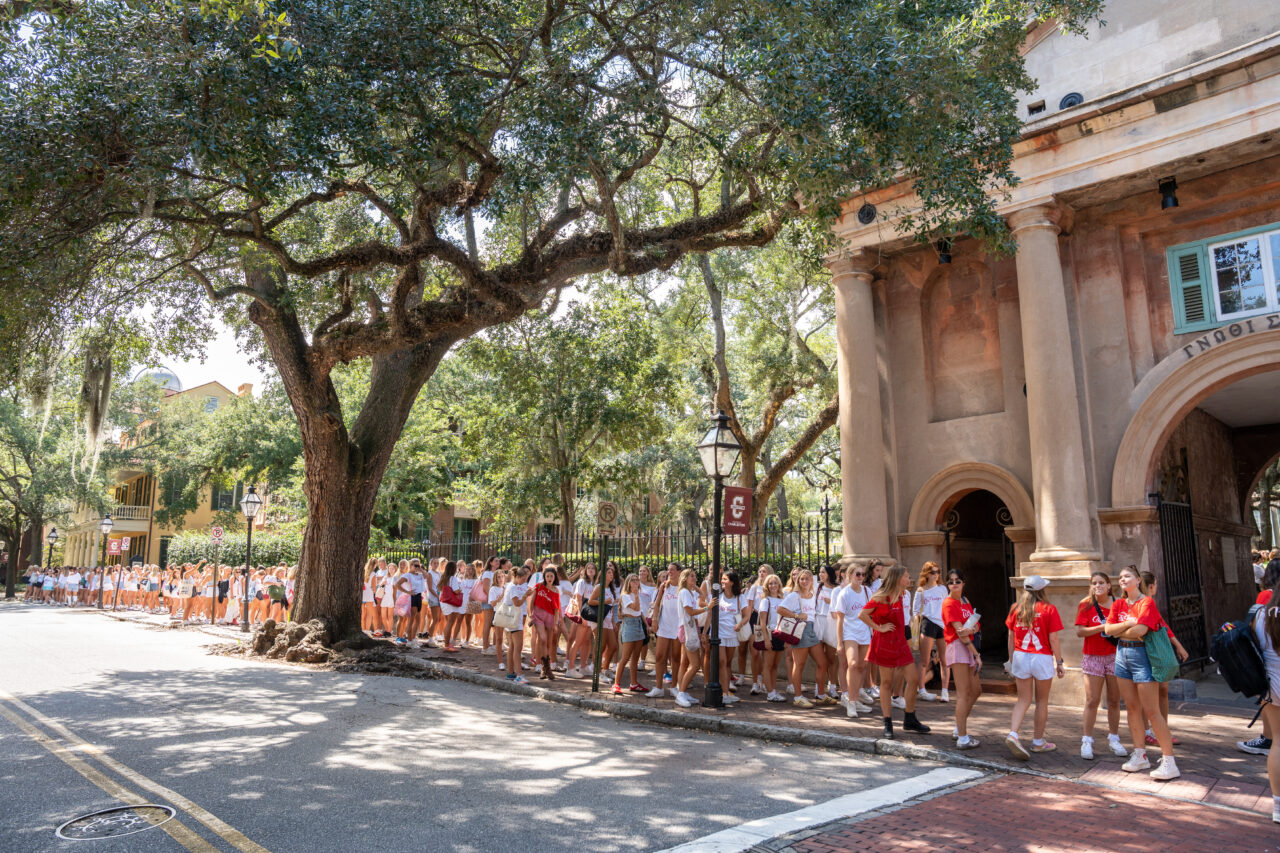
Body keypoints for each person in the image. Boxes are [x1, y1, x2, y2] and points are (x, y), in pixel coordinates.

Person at [1104, 565, 1183, 781]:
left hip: (1143, 657)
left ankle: (1169, 761)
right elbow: (1107, 630)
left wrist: (1122, 629)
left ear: (1138, 580)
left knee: (1151, 710)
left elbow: (1141, 631)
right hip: (1122, 656)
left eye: (1127, 575)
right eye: (1120, 576)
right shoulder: (1119, 603)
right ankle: (1139, 755)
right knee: (1131, 708)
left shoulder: (1147, 602)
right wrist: (1128, 624)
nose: (1123, 579)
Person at [860, 565, 930, 738]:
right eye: (906, 576)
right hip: (884, 643)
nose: (909, 579)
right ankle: (887, 722)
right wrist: (879, 627)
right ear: (898, 578)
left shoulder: (902, 595)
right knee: (886, 683)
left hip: (900, 643)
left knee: (913, 680)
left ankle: (909, 718)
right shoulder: (881, 597)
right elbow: (862, 614)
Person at [1003, 575, 1064, 760]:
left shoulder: (1016, 608)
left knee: (1023, 699)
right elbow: (1053, 638)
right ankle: (1038, 742)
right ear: (1041, 590)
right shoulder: (1049, 609)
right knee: (1042, 701)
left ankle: (1013, 734)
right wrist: (1059, 662)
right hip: (1042, 657)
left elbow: (1011, 637)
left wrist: (1011, 660)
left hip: (1021, 656)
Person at [1075, 571, 1129, 760]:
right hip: (1093, 656)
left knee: (1114, 700)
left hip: (1115, 656)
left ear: (1108, 585)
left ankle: (1114, 738)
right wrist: (1102, 628)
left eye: (1101, 583)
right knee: (1092, 700)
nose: (1097, 586)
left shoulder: (1119, 604)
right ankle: (1087, 740)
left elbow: (1128, 627)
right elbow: (1080, 632)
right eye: (1094, 583)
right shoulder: (1086, 604)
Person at [1139, 570, 1187, 749]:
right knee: (1146, 692)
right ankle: (1148, 731)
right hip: (1147, 650)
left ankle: (1161, 728)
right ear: (1152, 585)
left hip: (1157, 649)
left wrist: (1177, 644)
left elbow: (1162, 624)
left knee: (1162, 689)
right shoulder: (1143, 602)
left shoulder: (1149, 602)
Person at [779, 569, 833, 707]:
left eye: (807, 579)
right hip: (800, 630)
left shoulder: (813, 595)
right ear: (798, 581)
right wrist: (796, 615)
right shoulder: (794, 596)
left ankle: (821, 695)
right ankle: (798, 697)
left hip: (811, 630)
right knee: (799, 664)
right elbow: (780, 609)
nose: (804, 581)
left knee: (823, 662)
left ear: (811, 581)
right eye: (801, 579)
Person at [941, 570, 982, 748]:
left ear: (963, 583)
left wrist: (971, 630)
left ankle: (960, 726)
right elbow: (960, 633)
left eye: (958, 581)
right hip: (959, 648)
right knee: (963, 693)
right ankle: (962, 737)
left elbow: (975, 625)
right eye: (950, 582)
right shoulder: (949, 603)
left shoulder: (965, 601)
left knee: (976, 690)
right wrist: (976, 654)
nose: (954, 584)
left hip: (967, 646)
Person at [1252, 576, 1280, 824]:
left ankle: (1278, 806)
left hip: (1272, 684)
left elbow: (1258, 648)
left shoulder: (1263, 613)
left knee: (1278, 743)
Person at [833, 564, 875, 718]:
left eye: (863, 575)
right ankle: (850, 702)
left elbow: (871, 613)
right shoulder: (844, 594)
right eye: (858, 574)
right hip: (849, 633)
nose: (861, 578)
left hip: (864, 632)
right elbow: (839, 620)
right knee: (852, 664)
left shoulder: (867, 591)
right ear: (849, 575)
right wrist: (839, 643)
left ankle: (855, 698)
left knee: (862, 666)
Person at [646, 564, 682, 698]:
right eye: (668, 570)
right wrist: (655, 620)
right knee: (660, 656)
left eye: (672, 570)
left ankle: (674, 686)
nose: (669, 572)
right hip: (664, 625)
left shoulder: (683, 587)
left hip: (678, 626)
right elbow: (657, 604)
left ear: (679, 572)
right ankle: (659, 687)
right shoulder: (664, 586)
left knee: (676, 657)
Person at [912, 561, 945, 703]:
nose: (936, 575)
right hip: (928, 623)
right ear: (926, 574)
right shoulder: (921, 590)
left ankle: (944, 691)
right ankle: (921, 689)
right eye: (933, 572)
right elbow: (915, 611)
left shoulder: (943, 589)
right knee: (924, 660)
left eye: (937, 572)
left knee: (944, 659)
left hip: (941, 624)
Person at [714, 571, 747, 705]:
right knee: (721, 662)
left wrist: (740, 624)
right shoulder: (718, 595)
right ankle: (723, 692)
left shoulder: (740, 598)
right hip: (719, 633)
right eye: (722, 579)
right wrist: (705, 633)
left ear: (732, 582)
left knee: (727, 663)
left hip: (732, 634)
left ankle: (726, 691)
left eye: (725, 579)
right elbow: (710, 612)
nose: (722, 581)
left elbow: (747, 615)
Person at [612, 573, 648, 695]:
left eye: (637, 580)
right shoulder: (626, 596)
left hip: (638, 624)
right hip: (629, 624)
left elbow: (640, 612)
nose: (635, 582)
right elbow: (635, 608)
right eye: (632, 580)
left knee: (635, 658)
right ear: (628, 582)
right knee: (625, 657)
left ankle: (634, 683)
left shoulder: (636, 595)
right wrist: (637, 594)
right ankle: (616, 684)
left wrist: (646, 625)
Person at [501, 565, 532, 684]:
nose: (524, 581)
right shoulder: (513, 587)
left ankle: (510, 672)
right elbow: (517, 603)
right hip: (514, 620)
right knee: (517, 648)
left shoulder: (510, 586)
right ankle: (519, 674)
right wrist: (525, 596)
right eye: (523, 579)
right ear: (518, 577)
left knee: (512, 648)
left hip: (511, 620)